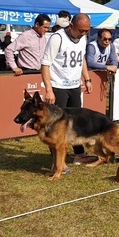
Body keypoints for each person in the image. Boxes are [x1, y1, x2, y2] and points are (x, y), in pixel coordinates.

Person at [41, 13, 96, 166]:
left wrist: (87, 78)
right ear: (71, 26)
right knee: (57, 125)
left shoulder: (82, 38)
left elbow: (81, 58)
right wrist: (49, 89)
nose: (83, 33)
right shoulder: (57, 38)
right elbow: (45, 64)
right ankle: (58, 163)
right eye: (80, 30)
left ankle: (79, 154)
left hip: (74, 86)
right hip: (58, 86)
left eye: (86, 31)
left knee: (76, 122)